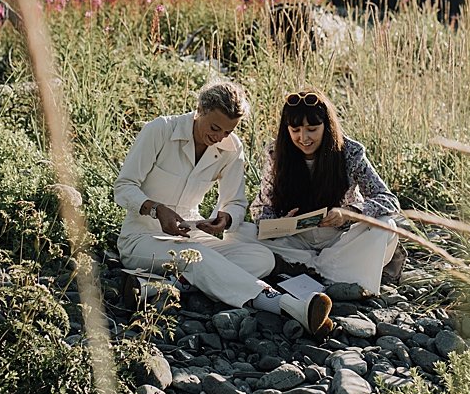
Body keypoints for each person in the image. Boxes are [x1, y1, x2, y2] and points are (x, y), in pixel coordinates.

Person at [114, 78, 333, 334]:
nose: (219, 137)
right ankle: (287, 305)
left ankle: (164, 284)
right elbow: (123, 187)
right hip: (141, 237)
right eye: (215, 127)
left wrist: (225, 219)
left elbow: (236, 202)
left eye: (227, 132)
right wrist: (156, 209)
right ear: (200, 111)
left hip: (191, 234)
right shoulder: (160, 130)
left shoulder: (232, 148)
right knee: (197, 256)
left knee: (260, 257)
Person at [238, 89, 402, 295]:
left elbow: (388, 200)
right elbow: (261, 207)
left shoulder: (350, 152)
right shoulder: (276, 154)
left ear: (327, 126)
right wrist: (279, 222)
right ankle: (322, 272)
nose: (303, 138)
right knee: (240, 231)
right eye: (295, 130)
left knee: (387, 226)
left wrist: (349, 213)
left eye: (312, 129)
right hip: (295, 240)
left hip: (341, 240)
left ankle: (314, 274)